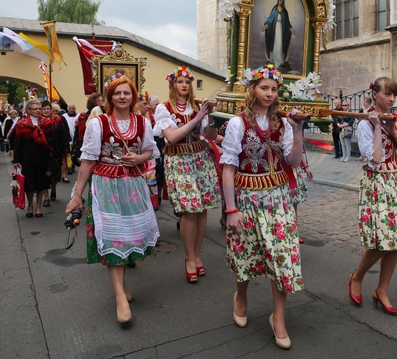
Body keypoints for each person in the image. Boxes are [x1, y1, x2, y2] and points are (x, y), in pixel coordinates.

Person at [221, 65, 305, 349]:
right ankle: (241, 296)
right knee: (246, 254)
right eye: (264, 88)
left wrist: (298, 131)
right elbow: (229, 168)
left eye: (273, 89)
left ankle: (278, 317)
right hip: (248, 198)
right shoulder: (238, 123)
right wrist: (230, 209)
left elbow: (293, 162)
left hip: (279, 198)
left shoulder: (283, 124)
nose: (269, 94)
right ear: (253, 89)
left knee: (282, 257)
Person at [66, 74, 159, 324]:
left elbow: (149, 150)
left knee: (127, 237)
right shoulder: (98, 123)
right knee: (112, 238)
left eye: (126, 93)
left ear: (133, 97)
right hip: (105, 185)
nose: (122, 97)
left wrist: (139, 158)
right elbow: (88, 161)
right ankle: (119, 295)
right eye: (117, 93)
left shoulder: (142, 122)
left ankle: (122, 286)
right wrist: (77, 196)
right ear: (110, 97)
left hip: (133, 185)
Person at [348, 77, 397, 317]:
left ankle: (382, 290)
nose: (391, 99)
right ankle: (357, 277)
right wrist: (378, 127)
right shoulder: (364, 124)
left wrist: (393, 131)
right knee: (382, 239)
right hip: (378, 183)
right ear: (375, 94)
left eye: (394, 94)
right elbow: (376, 159)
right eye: (387, 94)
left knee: (396, 240)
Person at [154, 65, 220, 283]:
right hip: (179, 160)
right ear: (173, 84)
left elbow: (210, 136)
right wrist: (197, 118)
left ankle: (197, 255)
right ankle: (189, 257)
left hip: (200, 158)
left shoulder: (198, 106)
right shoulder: (164, 108)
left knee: (202, 210)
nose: (184, 85)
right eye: (179, 81)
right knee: (190, 210)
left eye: (187, 82)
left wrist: (210, 115)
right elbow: (172, 137)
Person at [12, 99, 51, 217]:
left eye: (39, 108)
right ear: (28, 110)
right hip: (27, 158)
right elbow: (17, 142)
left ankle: (38, 207)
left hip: (42, 157)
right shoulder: (21, 124)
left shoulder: (46, 122)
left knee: (41, 183)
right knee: (29, 184)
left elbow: (51, 139)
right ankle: (30, 205)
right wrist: (16, 159)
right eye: (35, 109)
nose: (38, 111)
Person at [40, 101, 70, 206]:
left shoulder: (57, 119)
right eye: (44, 109)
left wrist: (66, 150)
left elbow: (64, 135)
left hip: (55, 150)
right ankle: (46, 197)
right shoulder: (38, 121)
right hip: (42, 150)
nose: (46, 111)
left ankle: (53, 188)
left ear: (51, 109)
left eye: (48, 108)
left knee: (54, 173)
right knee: (43, 174)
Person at [262, 0, 295, 73]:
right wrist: (266, 26)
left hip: (281, 31)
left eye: (282, 1)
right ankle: (273, 61)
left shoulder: (285, 12)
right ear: (278, 1)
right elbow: (270, 20)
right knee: (275, 44)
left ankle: (280, 62)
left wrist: (290, 29)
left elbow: (287, 23)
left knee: (280, 45)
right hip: (274, 30)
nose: (281, 2)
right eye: (280, 0)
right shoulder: (274, 9)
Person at [61, 103, 79, 179]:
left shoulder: (78, 116)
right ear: (67, 109)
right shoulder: (64, 116)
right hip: (68, 137)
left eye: (72, 108)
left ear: (75, 109)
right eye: (70, 108)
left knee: (74, 152)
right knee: (68, 153)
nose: (71, 109)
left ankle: (73, 165)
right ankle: (69, 167)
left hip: (75, 137)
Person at [357, 97, 374, 161]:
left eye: (365, 101)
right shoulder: (362, 109)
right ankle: (362, 154)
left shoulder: (372, 109)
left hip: (368, 126)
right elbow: (358, 116)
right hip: (361, 125)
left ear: (368, 102)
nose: (364, 103)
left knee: (367, 140)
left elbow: (370, 117)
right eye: (364, 101)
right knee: (361, 139)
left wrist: (364, 113)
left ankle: (368, 155)